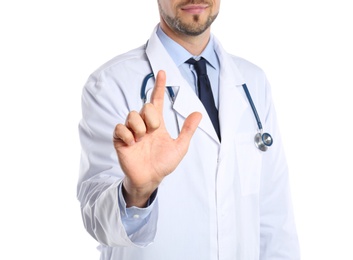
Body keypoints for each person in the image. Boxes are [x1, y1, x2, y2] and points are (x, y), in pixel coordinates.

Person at [77, 0, 300, 259]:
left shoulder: (253, 81)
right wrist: (137, 193)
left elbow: (274, 216)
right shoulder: (111, 83)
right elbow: (95, 218)